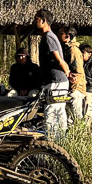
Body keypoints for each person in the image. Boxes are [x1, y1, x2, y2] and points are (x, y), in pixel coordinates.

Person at [34, 9, 71, 139]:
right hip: (59, 80)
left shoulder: (49, 37)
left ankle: (51, 143)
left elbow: (58, 57)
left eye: (36, 18)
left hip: (55, 81)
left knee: (51, 111)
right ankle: (61, 141)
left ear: (43, 21)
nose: (34, 21)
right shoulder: (51, 36)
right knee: (59, 112)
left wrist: (66, 70)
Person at [58, 25, 87, 125]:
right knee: (70, 118)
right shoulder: (67, 49)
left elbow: (77, 72)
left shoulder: (73, 50)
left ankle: (80, 139)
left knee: (76, 118)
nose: (58, 35)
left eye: (61, 33)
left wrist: (73, 89)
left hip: (76, 90)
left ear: (67, 36)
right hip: (72, 89)